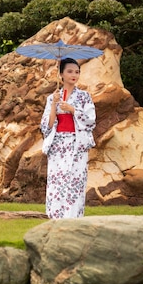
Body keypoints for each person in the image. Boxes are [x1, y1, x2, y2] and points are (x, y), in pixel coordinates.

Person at [40, 58, 96, 219]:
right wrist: (53, 106)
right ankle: (54, 217)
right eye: (70, 71)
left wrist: (72, 109)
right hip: (58, 144)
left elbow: (91, 120)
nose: (74, 75)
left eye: (77, 72)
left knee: (75, 181)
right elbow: (46, 126)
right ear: (61, 74)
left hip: (76, 143)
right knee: (57, 181)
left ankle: (73, 218)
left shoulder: (84, 96)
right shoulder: (53, 97)